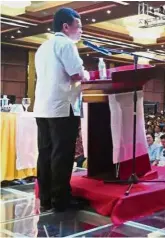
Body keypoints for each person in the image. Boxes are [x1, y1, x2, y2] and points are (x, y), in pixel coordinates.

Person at [33, 7, 86, 212]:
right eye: (78, 26)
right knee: (61, 155)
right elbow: (76, 74)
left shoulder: (43, 47)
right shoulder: (65, 44)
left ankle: (46, 199)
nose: (81, 30)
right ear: (66, 26)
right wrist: (86, 74)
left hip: (43, 107)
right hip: (62, 107)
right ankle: (61, 200)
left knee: (45, 154)